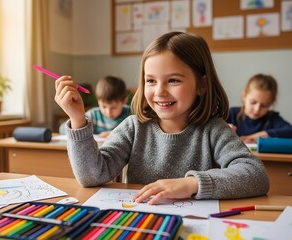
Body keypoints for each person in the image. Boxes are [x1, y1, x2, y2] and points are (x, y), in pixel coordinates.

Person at [54, 31, 269, 204]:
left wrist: (192, 183)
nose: (159, 92)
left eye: (173, 80)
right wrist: (77, 118)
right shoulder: (134, 127)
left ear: (202, 85)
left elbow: (256, 175)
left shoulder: (214, 129)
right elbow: (92, 176)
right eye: (151, 81)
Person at [227, 74, 292, 143]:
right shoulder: (232, 113)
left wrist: (264, 135)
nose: (257, 109)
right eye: (253, 102)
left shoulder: (272, 118)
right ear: (244, 96)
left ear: (271, 103)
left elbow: (290, 130)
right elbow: (214, 127)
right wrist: (223, 128)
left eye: (264, 105)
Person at [59, 75, 131, 138]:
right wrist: (77, 123)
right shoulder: (94, 114)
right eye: (104, 106)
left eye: (113, 107)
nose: (108, 112)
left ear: (124, 101)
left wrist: (115, 134)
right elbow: (62, 129)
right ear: (98, 101)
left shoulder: (130, 114)